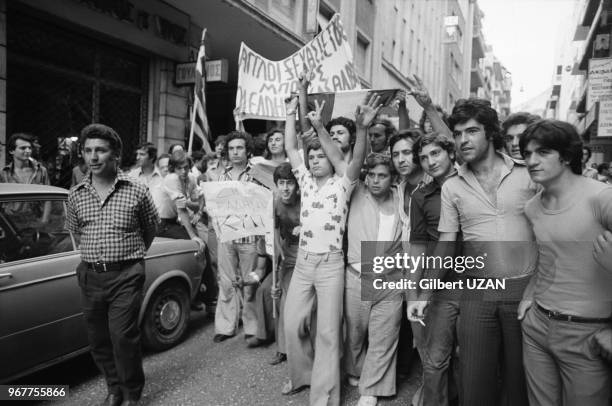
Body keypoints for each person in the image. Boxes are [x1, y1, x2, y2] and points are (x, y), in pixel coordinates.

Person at [438, 98, 537, 405]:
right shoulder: (451, 187)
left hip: (525, 288)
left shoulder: (529, 175)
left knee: (520, 381)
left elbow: (551, 235)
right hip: (477, 291)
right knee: (475, 381)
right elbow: (445, 243)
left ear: (491, 133)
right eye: (457, 133)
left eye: (471, 131)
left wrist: (538, 288)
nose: (463, 140)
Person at [282, 92, 376, 406]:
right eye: (313, 157)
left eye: (321, 156)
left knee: (328, 332)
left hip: (332, 265)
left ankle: (323, 395)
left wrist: (361, 130)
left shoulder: (344, 183)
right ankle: (304, 376)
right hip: (304, 263)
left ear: (332, 157)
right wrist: (289, 113)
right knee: (292, 321)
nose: (314, 160)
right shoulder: (305, 182)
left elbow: (357, 158)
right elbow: (291, 147)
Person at [518, 119, 612, 406]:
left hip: (589, 333)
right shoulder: (532, 207)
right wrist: (529, 295)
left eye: (543, 152)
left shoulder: (601, 198)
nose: (532, 161)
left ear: (567, 156)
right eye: (527, 154)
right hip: (538, 327)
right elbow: (547, 257)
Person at [65, 124, 159, 406]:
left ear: (115, 154)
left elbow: (150, 229)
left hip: (126, 274)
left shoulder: (137, 190)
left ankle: (131, 392)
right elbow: (76, 233)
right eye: (88, 151)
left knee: (122, 336)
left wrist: (130, 256)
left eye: (101, 150)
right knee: (98, 340)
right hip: (91, 276)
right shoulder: (76, 194)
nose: (93, 157)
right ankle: (114, 388)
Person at [344, 153, 403, 406]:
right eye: (371, 175)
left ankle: (372, 387)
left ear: (393, 178)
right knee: (355, 334)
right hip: (357, 275)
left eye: (382, 175)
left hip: (391, 278)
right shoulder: (356, 192)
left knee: (384, 335)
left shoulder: (402, 197)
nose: (375, 180)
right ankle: (356, 369)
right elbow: (348, 158)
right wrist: (361, 129)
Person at [406, 133, 460, 406]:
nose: (430, 161)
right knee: (436, 358)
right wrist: (414, 290)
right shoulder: (421, 196)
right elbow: (417, 247)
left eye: (436, 153)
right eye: (424, 157)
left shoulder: (471, 183)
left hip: (479, 279)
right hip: (440, 285)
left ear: (450, 152)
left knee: (474, 357)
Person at [212, 131, 265, 345]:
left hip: (250, 236)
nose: (235, 152)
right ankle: (225, 326)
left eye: (239, 148)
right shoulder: (220, 176)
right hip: (226, 236)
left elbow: (265, 203)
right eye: (231, 148)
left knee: (249, 282)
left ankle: (252, 327)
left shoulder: (257, 174)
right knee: (226, 282)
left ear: (247, 150)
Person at [252, 163, 301, 362]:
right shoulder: (274, 202)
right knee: (280, 297)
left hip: (309, 253)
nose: (286, 188)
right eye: (281, 183)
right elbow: (272, 231)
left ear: (297, 185)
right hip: (288, 254)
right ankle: (283, 349)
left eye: (290, 183)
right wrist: (277, 254)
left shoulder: (306, 200)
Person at [129, 142, 165, 212]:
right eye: (137, 154)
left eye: (142, 154)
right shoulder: (131, 176)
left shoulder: (162, 176)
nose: (137, 157)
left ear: (151, 157)